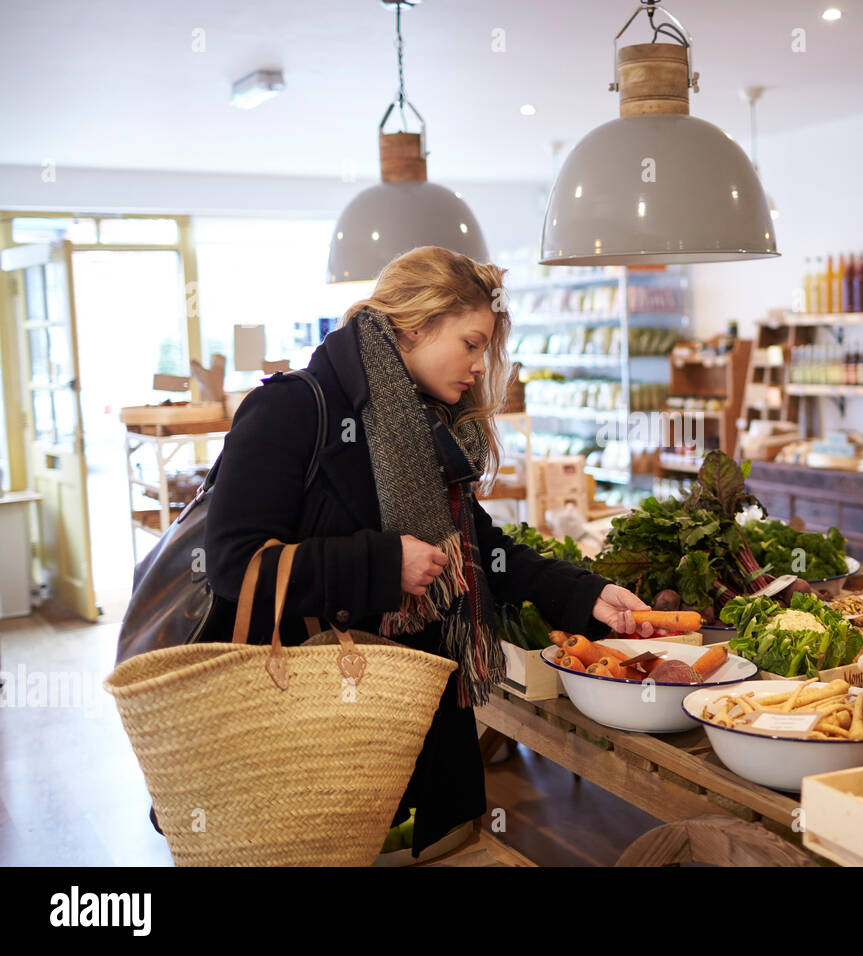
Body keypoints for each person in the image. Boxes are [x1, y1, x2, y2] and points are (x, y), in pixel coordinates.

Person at [199, 245, 656, 857]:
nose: (479, 367)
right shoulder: (289, 409)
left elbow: (481, 548)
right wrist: (385, 564)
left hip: (411, 730)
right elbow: (235, 562)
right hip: (307, 730)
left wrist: (586, 593)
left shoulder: (429, 426)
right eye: (471, 344)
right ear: (416, 325)